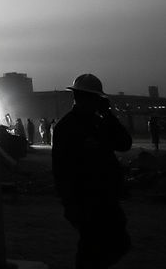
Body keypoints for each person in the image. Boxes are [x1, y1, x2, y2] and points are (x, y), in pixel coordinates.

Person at [52, 73, 132, 269]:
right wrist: (69, 204)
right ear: (80, 98)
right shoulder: (67, 127)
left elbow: (124, 143)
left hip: (106, 196)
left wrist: (109, 115)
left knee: (118, 243)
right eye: (94, 98)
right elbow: (60, 168)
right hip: (85, 199)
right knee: (90, 249)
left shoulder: (100, 122)